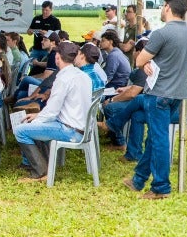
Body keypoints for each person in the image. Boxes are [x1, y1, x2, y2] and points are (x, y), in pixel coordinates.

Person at [122, 0, 187, 199]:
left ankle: (161, 186)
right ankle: (138, 179)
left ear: (167, 7)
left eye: (163, 6)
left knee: (159, 139)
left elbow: (139, 60)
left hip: (159, 93)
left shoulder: (161, 33)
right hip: (177, 93)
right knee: (155, 138)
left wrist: (145, 62)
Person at [13, 41, 93, 182]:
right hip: (81, 128)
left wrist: (36, 120)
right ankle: (45, 164)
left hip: (69, 130)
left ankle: (41, 172)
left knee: (20, 130)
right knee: (35, 124)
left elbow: (51, 111)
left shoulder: (63, 78)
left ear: (57, 57)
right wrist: (38, 116)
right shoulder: (83, 76)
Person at [100, 37, 154, 162]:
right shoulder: (146, 66)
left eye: (134, 51)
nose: (133, 54)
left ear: (139, 52)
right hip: (147, 102)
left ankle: (118, 139)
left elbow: (133, 94)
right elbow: (141, 86)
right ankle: (133, 153)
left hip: (151, 103)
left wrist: (113, 100)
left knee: (111, 107)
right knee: (137, 116)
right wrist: (126, 88)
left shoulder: (145, 67)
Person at [98, 30, 131, 95]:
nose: (100, 43)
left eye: (103, 41)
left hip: (116, 87)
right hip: (120, 85)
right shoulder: (117, 53)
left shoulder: (113, 55)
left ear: (110, 42)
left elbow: (108, 76)